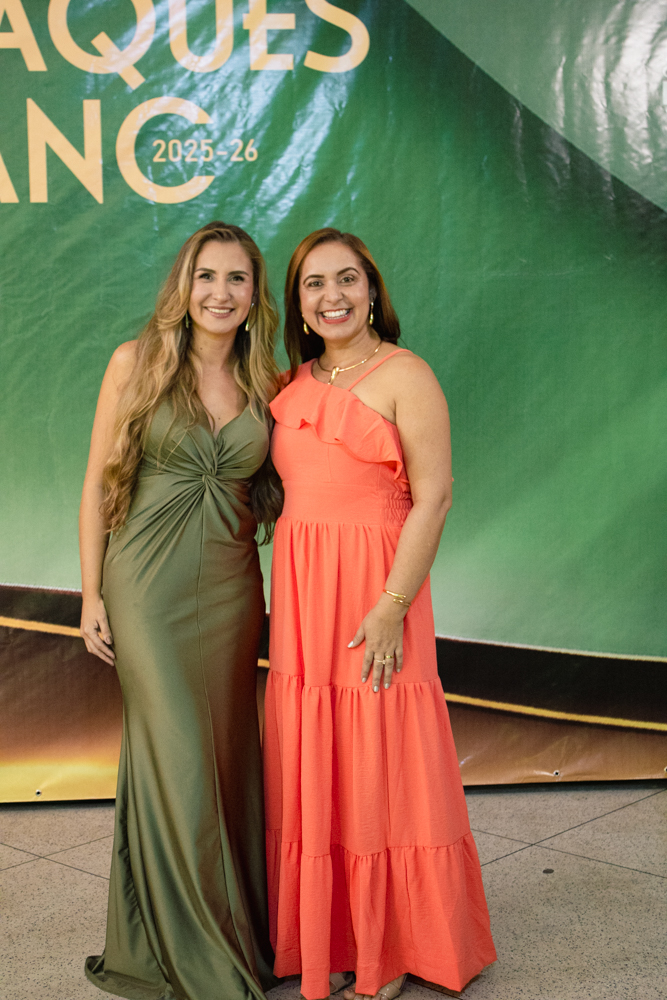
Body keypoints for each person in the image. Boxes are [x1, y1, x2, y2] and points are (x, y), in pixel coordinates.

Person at [263, 229, 496, 1000]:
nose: (331, 296)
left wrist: (392, 606)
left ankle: (388, 945)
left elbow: (435, 497)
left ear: (371, 291)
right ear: (297, 302)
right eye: (313, 284)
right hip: (304, 597)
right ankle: (327, 937)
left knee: (378, 759)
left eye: (346, 279)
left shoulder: (405, 374)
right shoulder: (290, 383)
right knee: (319, 757)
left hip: (378, 591)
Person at [79, 222, 281, 1000]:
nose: (219, 293)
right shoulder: (133, 364)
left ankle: (236, 930)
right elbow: (97, 485)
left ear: (254, 294)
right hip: (145, 587)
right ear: (183, 285)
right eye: (206, 276)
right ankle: (202, 956)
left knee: (225, 756)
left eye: (236, 278)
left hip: (231, 593)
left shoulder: (268, 384)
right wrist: (91, 592)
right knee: (181, 759)